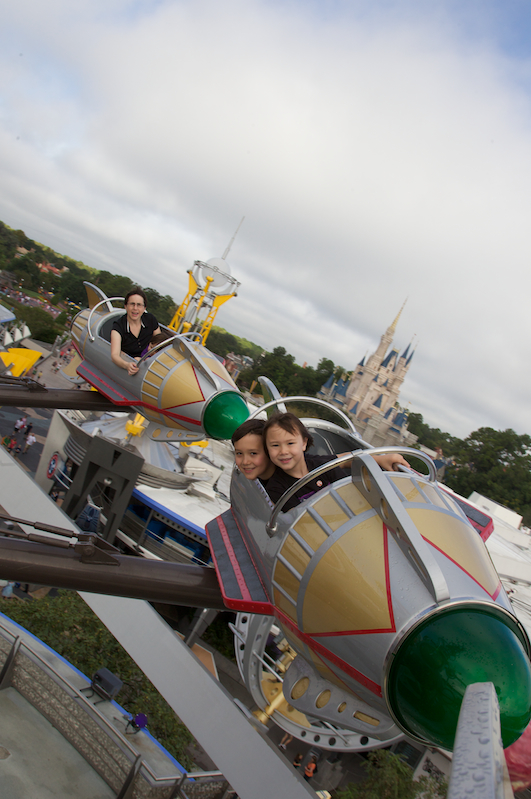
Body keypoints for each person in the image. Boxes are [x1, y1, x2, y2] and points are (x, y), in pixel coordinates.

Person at [264, 412, 410, 511]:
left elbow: (345, 460)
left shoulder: (320, 466)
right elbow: (300, 523)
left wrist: (381, 459)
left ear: (304, 443)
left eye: (290, 443)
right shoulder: (276, 488)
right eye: (275, 445)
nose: (283, 451)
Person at [110, 288, 160, 376]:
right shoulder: (118, 327)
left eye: (139, 305)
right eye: (132, 304)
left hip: (148, 360)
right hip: (132, 364)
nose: (135, 308)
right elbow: (114, 355)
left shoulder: (150, 319)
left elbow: (159, 342)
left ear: (144, 308)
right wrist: (127, 365)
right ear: (126, 306)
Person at [232, 418, 276, 487]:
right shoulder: (245, 482)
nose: (245, 462)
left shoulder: (281, 487)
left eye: (253, 453)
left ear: (270, 452)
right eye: (239, 453)